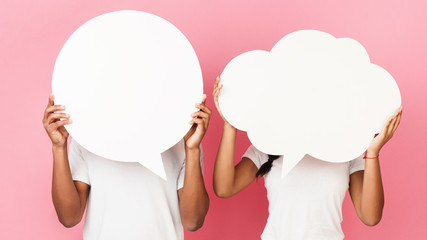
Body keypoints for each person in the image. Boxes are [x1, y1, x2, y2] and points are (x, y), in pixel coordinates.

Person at [212, 77, 402, 240]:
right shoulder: (268, 145)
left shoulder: (347, 150)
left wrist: (373, 152)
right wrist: (230, 125)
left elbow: (370, 216)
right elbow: (224, 188)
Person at [42, 93, 211, 240]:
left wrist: (193, 149)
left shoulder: (183, 137)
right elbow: (69, 218)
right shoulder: (87, 137)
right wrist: (59, 148)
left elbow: (193, 221)